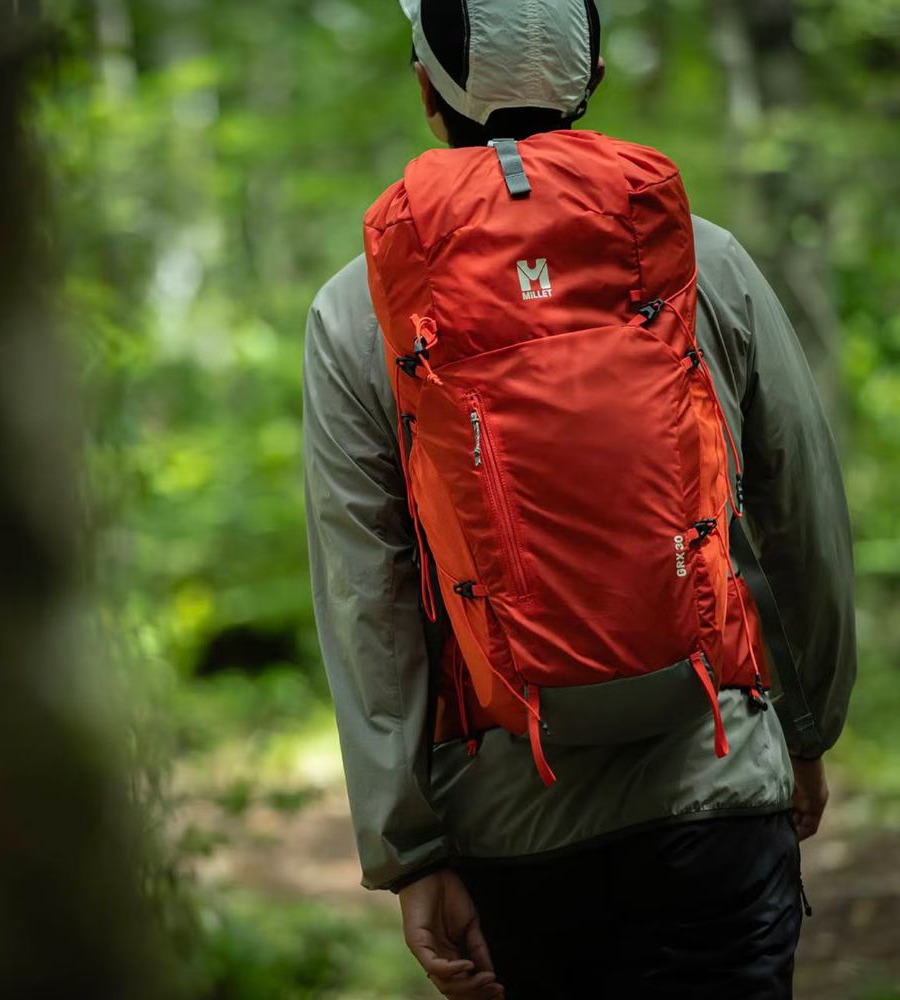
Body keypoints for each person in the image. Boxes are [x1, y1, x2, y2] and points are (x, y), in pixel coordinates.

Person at [302, 2, 856, 997]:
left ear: (428, 90)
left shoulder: (359, 309)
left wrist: (409, 851)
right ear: (591, 78)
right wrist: (803, 727)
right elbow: (796, 515)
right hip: (717, 773)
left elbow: (367, 598)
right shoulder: (703, 259)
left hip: (513, 820)